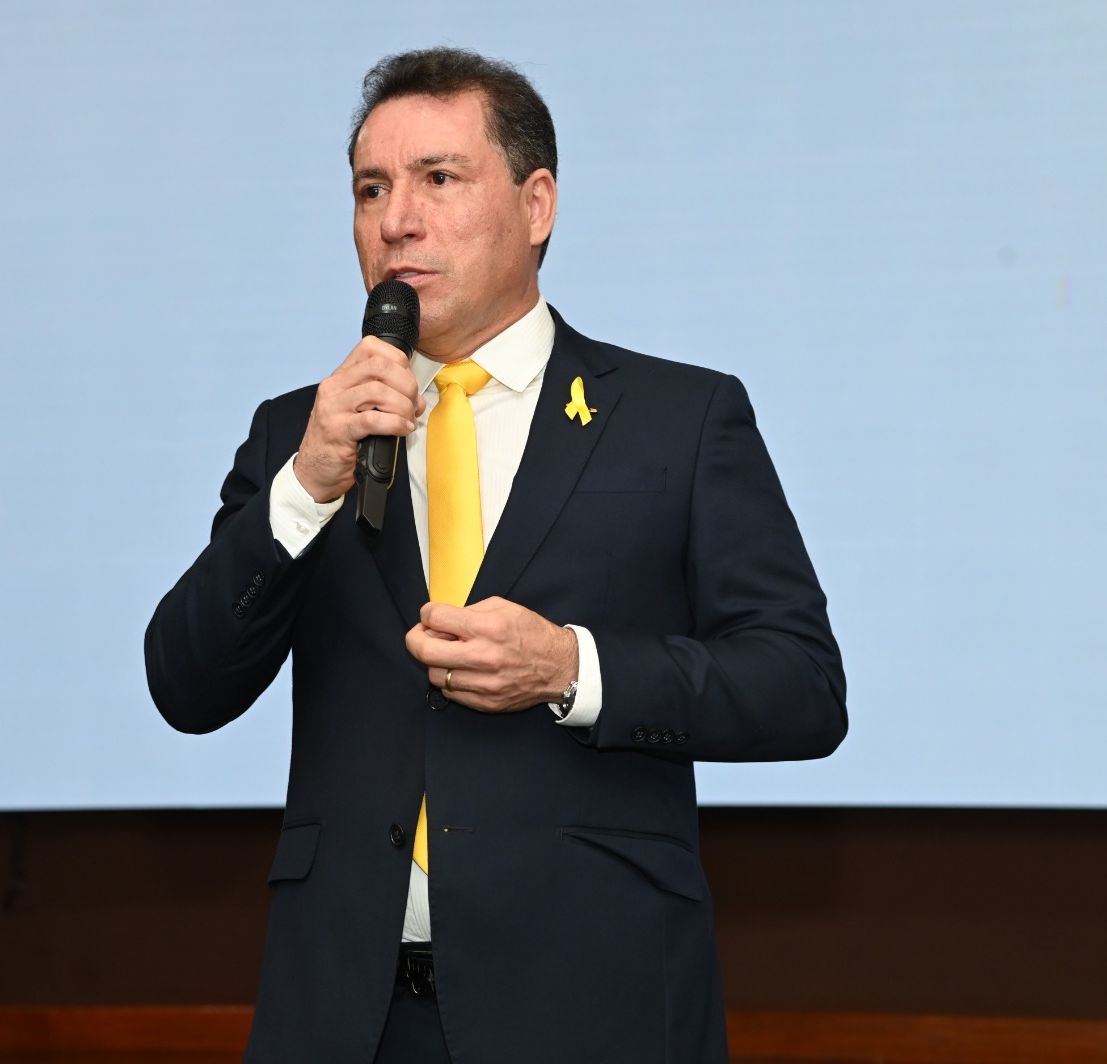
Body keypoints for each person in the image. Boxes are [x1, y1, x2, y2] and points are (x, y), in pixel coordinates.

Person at [145, 47, 847, 1064]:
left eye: (438, 178)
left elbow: (801, 686)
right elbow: (185, 684)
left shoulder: (679, 419)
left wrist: (573, 670)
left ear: (536, 204)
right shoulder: (300, 436)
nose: (396, 220)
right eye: (371, 189)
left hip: (591, 1011)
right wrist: (301, 489)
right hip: (346, 1017)